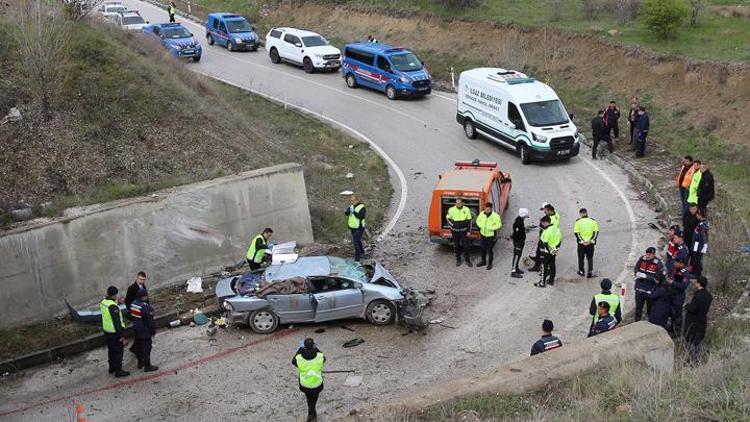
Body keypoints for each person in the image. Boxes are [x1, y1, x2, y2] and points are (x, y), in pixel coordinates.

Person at [292, 338, 326, 422]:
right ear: (314, 346)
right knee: (314, 399)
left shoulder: (299, 358)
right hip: (317, 384)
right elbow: (323, 357)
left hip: (305, 385)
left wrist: (300, 349)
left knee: (309, 399)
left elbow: (293, 361)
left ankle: (311, 413)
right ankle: (312, 413)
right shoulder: (320, 356)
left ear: (304, 347)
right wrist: (314, 348)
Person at [101, 286, 129, 377]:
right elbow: (117, 323)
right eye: (116, 294)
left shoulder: (104, 302)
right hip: (115, 333)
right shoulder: (113, 307)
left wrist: (118, 302)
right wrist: (122, 337)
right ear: (115, 294)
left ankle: (112, 368)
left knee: (111, 351)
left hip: (107, 332)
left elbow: (110, 305)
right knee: (118, 352)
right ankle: (118, 371)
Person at [684, 276, 712, 364]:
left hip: (693, 322)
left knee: (691, 342)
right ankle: (697, 359)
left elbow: (693, 309)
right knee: (698, 342)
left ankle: (693, 362)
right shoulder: (708, 296)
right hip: (702, 321)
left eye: (696, 282)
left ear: (699, 284)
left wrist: (686, 305)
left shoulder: (698, 296)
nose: (695, 284)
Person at [130, 289, 158, 372]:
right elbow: (149, 321)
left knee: (139, 346)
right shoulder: (145, 307)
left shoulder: (133, 304)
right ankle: (147, 366)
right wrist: (153, 331)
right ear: (144, 296)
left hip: (136, 329)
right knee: (146, 348)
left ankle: (140, 362)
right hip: (145, 331)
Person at [633, 247, 664, 321]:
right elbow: (636, 268)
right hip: (639, 288)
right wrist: (637, 272)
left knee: (650, 309)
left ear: (654, 255)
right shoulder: (642, 259)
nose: (648, 256)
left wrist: (646, 276)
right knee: (638, 308)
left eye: (650, 254)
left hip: (650, 290)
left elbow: (658, 279)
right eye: (647, 254)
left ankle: (650, 323)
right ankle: (636, 322)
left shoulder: (658, 263)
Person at [534, 215, 561, 288]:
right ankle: (551, 280)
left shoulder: (546, 231)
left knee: (544, 266)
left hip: (546, 252)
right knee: (552, 265)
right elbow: (560, 241)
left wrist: (549, 251)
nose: (542, 225)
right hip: (554, 251)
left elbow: (545, 243)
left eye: (543, 223)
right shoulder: (557, 229)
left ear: (546, 222)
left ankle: (542, 282)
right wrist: (556, 249)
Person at [446, 198, 473, 267]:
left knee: (466, 246)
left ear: (462, 203)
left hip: (464, 231)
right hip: (455, 232)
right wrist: (453, 225)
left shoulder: (466, 209)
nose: (458, 204)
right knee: (456, 246)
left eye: (459, 203)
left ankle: (468, 260)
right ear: (455, 203)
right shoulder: (451, 209)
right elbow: (448, 219)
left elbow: (470, 221)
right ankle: (458, 260)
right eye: (457, 203)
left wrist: (469, 231)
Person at [667, 259, 690, 336]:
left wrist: (672, 282)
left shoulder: (685, 273)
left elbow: (683, 286)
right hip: (671, 295)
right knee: (672, 313)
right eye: (674, 262)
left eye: (676, 263)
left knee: (677, 314)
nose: (674, 264)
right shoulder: (675, 270)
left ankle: (676, 331)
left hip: (678, 297)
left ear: (682, 264)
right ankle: (671, 328)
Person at [476, 202, 502, 271]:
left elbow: (499, 225)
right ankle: (483, 261)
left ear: (491, 209)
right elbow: (477, 221)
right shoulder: (481, 214)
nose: (486, 210)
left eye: (488, 209)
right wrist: (480, 226)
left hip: (490, 235)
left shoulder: (495, 216)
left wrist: (491, 228)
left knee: (489, 250)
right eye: (486, 209)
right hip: (483, 234)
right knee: (482, 248)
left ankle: (490, 263)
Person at [574, 208, 599, 278]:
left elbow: (576, 233)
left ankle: (581, 271)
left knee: (581, 258)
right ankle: (590, 272)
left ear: (580, 214)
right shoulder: (593, 221)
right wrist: (590, 241)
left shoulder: (578, 222)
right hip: (590, 244)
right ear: (587, 213)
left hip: (581, 244)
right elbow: (596, 232)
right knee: (590, 258)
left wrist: (582, 241)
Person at [345, 195, 367, 262]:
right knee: (358, 240)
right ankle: (362, 252)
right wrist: (347, 211)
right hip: (353, 227)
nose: (352, 202)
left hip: (359, 228)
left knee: (356, 242)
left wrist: (354, 211)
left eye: (353, 200)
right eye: (351, 200)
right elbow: (347, 214)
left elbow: (360, 216)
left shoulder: (362, 207)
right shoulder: (351, 206)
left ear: (357, 200)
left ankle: (357, 259)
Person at [510, 208, 529, 278]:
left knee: (519, 255)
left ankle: (516, 268)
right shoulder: (518, 223)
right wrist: (512, 237)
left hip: (520, 241)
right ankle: (513, 271)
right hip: (518, 242)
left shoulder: (520, 220)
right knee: (517, 255)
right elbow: (516, 233)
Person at [690, 211, 709, 277]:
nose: (696, 216)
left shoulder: (702, 225)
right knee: (696, 259)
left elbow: (703, 238)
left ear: (700, 215)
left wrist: (702, 247)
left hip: (698, 246)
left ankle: (696, 274)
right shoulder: (701, 224)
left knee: (697, 260)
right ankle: (695, 272)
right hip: (697, 245)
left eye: (697, 214)